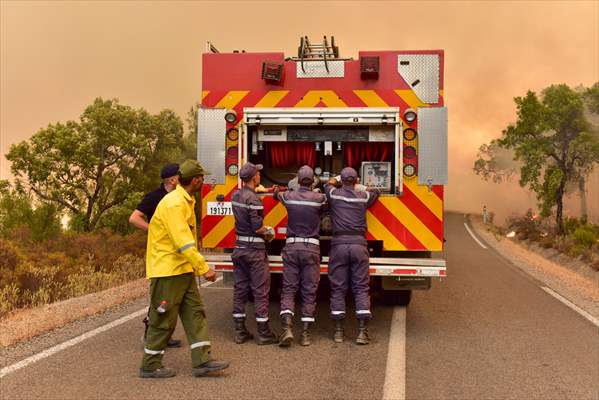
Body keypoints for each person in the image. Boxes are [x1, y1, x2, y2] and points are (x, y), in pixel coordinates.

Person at [139, 160, 229, 378]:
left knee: (195, 313)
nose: (204, 182)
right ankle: (150, 366)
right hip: (168, 271)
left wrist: (193, 266)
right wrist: (203, 267)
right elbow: (183, 242)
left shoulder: (184, 200)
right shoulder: (174, 204)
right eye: (202, 178)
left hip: (182, 269)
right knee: (163, 319)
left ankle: (203, 360)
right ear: (196, 180)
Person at [129, 163, 182, 348]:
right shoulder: (154, 197)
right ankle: (150, 335)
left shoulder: (178, 196)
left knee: (171, 297)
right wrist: (153, 230)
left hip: (175, 253)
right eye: (179, 175)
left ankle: (165, 335)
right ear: (171, 179)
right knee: (160, 296)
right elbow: (134, 218)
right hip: (160, 254)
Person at [273, 165, 327, 347]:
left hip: (291, 248)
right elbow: (329, 203)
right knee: (309, 291)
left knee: (289, 289)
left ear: (297, 181)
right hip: (311, 250)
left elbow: (276, 194)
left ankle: (287, 328)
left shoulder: (289, 197)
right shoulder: (319, 198)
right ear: (312, 181)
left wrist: (279, 189)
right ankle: (305, 334)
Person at [326, 167, 379, 345]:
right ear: (356, 181)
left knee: (338, 288)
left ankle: (338, 332)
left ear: (342, 180)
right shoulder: (363, 197)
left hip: (339, 245)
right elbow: (376, 192)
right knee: (361, 288)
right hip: (359, 245)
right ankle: (362, 332)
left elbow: (328, 184)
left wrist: (336, 179)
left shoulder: (333, 194)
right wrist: (361, 187)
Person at [230, 162, 277, 345]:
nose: (260, 176)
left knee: (240, 290)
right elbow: (257, 228)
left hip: (239, 248)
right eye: (258, 174)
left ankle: (240, 331)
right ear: (253, 178)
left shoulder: (236, 195)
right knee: (260, 291)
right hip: (255, 252)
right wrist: (270, 231)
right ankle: (264, 333)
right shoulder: (254, 200)